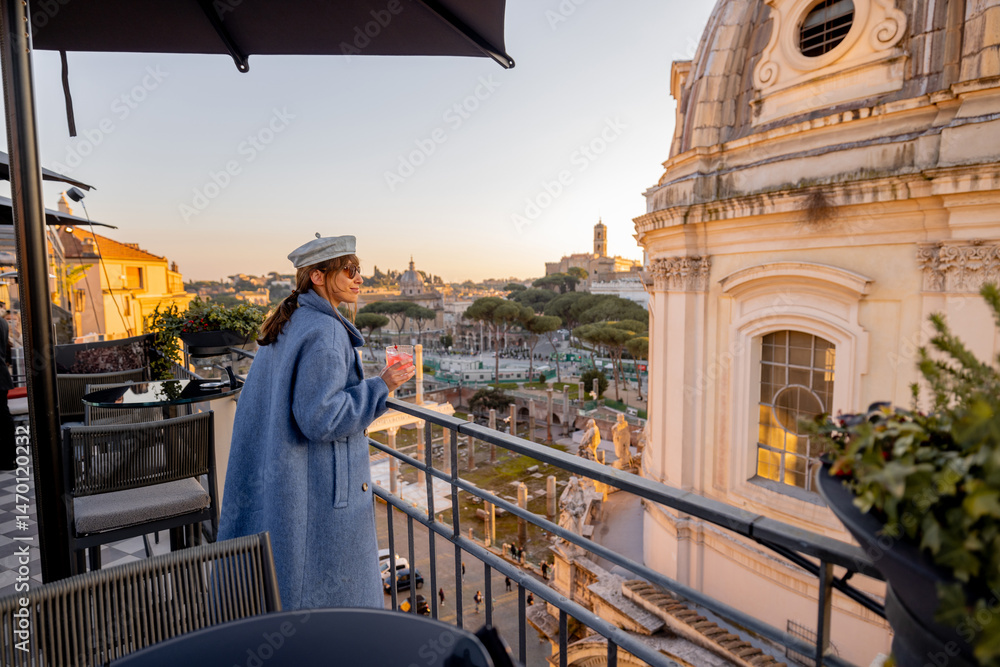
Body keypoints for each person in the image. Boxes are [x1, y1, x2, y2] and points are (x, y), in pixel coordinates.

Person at [218, 234, 415, 610]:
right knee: (333, 594)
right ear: (319, 277)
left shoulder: (293, 319)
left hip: (292, 474)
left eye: (359, 270)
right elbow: (320, 418)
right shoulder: (325, 332)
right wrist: (383, 385)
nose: (359, 279)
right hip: (320, 486)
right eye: (349, 270)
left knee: (290, 577)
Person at [0, 305, 12, 470]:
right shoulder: (3, 322)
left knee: (3, 418)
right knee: (4, 417)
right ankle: (9, 458)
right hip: (2, 376)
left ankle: (7, 458)